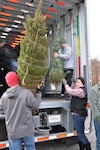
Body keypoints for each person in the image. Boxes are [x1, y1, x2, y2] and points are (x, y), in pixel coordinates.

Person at [0, 71, 42, 150]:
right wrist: (38, 93)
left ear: (8, 83)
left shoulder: (4, 97)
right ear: (18, 80)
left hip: (13, 131)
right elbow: (35, 105)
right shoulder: (26, 93)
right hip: (27, 130)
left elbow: (1, 110)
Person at [62, 77, 91, 150]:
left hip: (79, 114)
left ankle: (88, 147)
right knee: (79, 133)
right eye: (76, 82)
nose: (77, 83)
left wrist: (65, 84)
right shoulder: (78, 89)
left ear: (82, 83)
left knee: (80, 134)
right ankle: (81, 148)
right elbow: (72, 88)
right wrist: (72, 83)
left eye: (79, 82)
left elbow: (70, 91)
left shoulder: (81, 90)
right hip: (78, 114)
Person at [89, 75, 100, 150]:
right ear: (99, 78)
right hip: (98, 118)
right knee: (99, 139)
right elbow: (93, 105)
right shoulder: (94, 89)